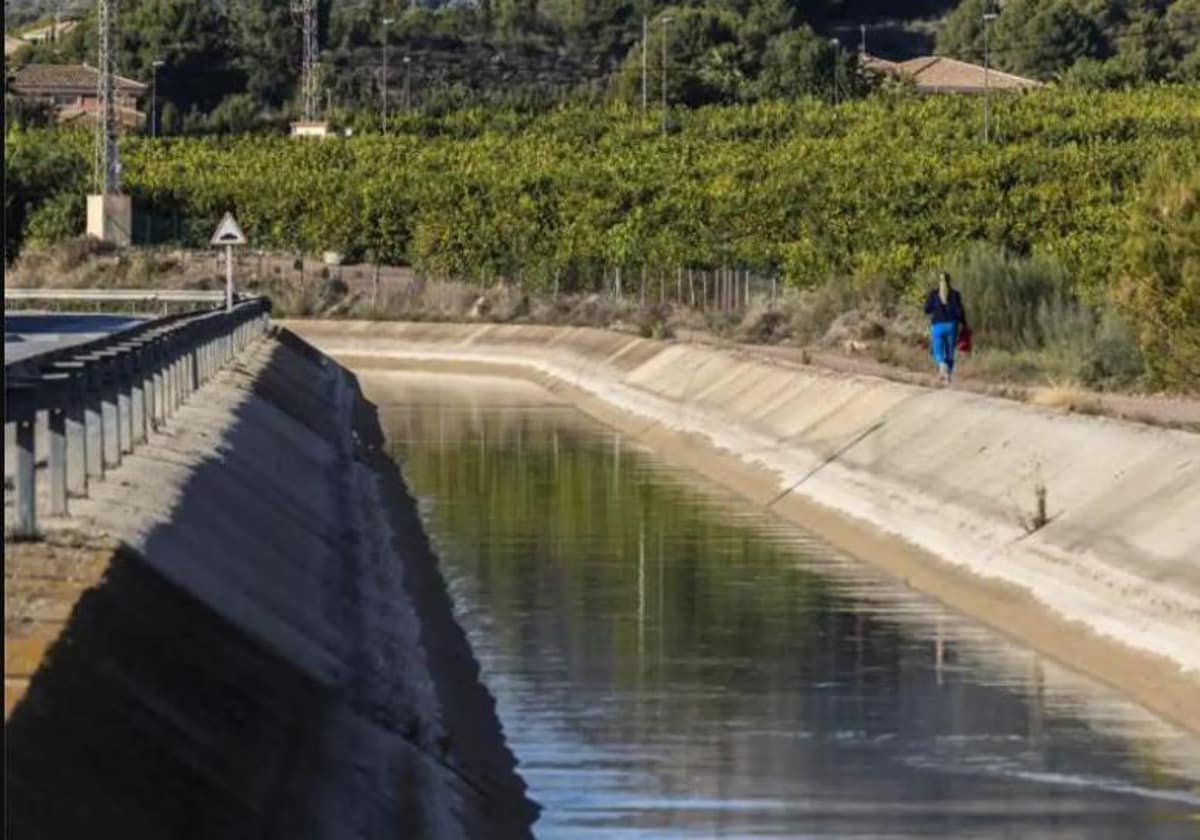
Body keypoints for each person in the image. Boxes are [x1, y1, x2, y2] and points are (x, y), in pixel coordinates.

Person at [924, 272, 968, 384]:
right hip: (952, 326)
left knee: (937, 351)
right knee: (950, 352)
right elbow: (960, 312)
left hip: (938, 325)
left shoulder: (934, 294)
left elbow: (926, 310)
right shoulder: (955, 294)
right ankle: (947, 375)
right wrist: (964, 323)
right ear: (949, 281)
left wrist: (935, 306)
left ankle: (942, 366)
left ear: (939, 281)